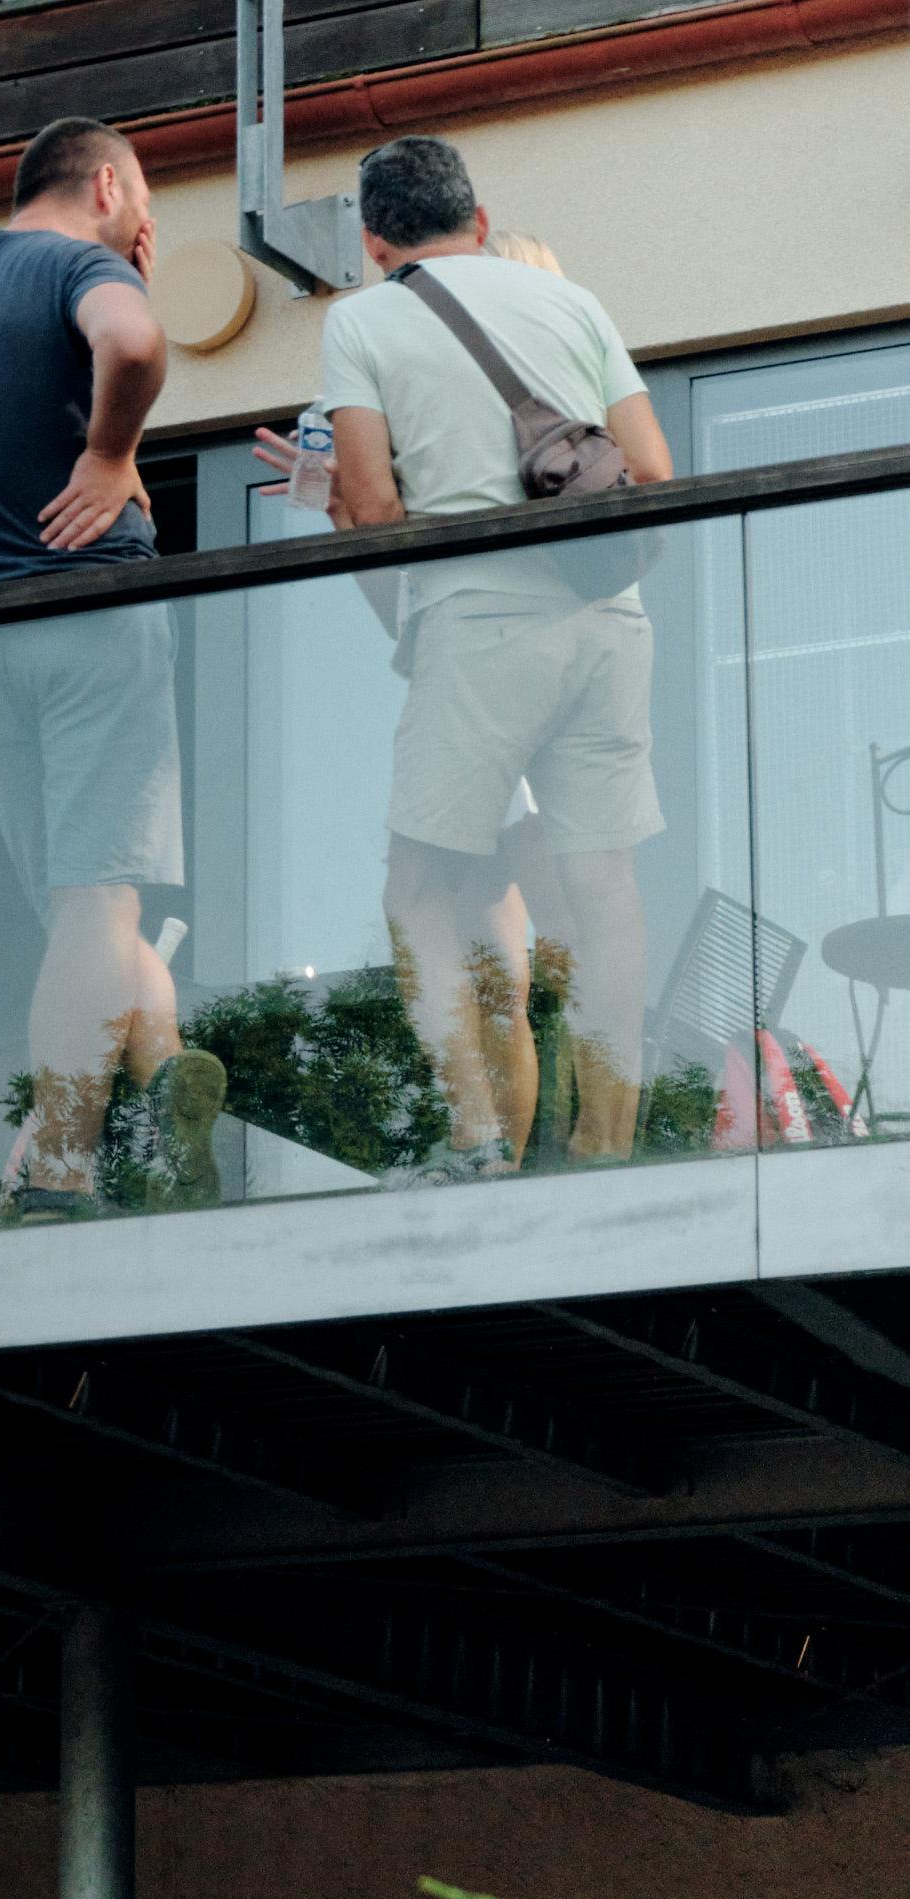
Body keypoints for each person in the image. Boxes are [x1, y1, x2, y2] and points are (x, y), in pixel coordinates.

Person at [257, 140, 669, 1174]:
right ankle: (609, 1140)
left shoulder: (362, 318)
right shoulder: (579, 308)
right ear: (478, 219)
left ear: (372, 241)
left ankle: (477, 1135)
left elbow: (379, 513)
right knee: (607, 885)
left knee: (417, 889)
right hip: (610, 618)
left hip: (481, 625)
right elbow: (654, 471)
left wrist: (347, 496)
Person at [0, 115, 227, 1219]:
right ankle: (61, 1167)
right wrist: (111, 451)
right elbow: (133, 344)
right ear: (105, 184)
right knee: (98, 899)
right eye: (145, 205)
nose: (147, 229)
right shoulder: (77, 264)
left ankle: (167, 1076)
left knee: (81, 915)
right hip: (89, 618)